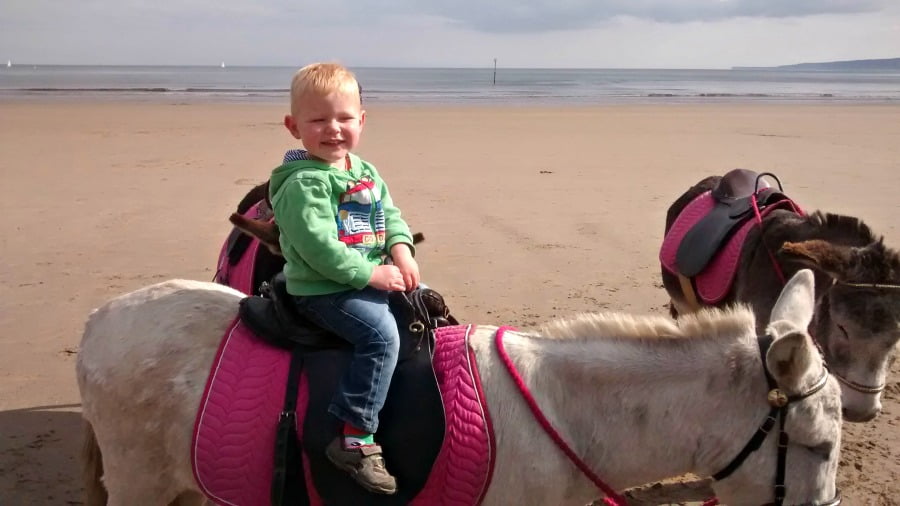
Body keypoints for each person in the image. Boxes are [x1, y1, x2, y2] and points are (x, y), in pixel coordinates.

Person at [268, 62, 417, 495]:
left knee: (426, 306)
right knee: (382, 336)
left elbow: (389, 215)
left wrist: (401, 250)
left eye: (344, 118)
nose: (333, 129)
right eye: (318, 120)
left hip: (369, 273)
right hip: (324, 288)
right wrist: (370, 274)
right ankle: (356, 436)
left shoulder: (362, 170)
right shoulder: (303, 185)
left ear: (362, 121)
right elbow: (319, 249)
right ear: (294, 127)